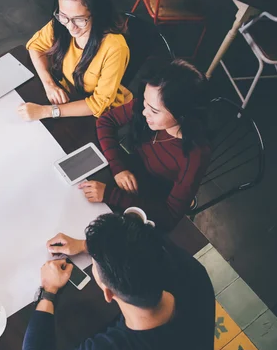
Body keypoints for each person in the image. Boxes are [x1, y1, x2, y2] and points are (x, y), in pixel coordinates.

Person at [20, 212, 215, 350]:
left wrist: (48, 289)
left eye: (94, 265)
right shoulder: (191, 271)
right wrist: (87, 246)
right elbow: (142, 248)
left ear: (108, 293)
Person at [80, 59, 211, 230]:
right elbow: (105, 121)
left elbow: (169, 216)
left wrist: (111, 195)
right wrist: (118, 167)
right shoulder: (149, 104)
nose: (144, 112)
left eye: (154, 111)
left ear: (182, 115)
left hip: (151, 198)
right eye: (145, 103)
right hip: (129, 173)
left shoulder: (195, 155)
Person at [18, 0, 132, 122]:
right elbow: (35, 46)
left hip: (102, 116)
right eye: (63, 16)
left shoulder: (115, 48)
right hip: (70, 97)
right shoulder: (61, 23)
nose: (71, 26)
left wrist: (47, 111)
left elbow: (97, 104)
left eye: (80, 19)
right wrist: (49, 84)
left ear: (97, 13)